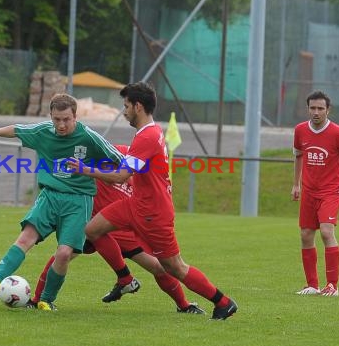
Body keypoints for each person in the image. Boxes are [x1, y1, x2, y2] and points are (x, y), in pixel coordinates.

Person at [67, 82, 237, 320]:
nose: (123, 111)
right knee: (93, 230)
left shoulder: (147, 137)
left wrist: (85, 169)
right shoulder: (150, 133)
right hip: (136, 204)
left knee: (174, 267)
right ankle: (125, 278)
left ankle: (223, 302)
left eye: (126, 106)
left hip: (153, 213)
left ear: (138, 106)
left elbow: (121, 176)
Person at [0, 93, 135, 311]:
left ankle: (47, 300)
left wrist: (133, 182)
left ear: (75, 117)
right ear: (51, 116)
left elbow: (121, 159)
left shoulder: (90, 137)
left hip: (78, 201)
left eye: (66, 119)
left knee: (64, 253)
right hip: (49, 196)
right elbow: (16, 129)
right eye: (57, 119)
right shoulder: (44, 131)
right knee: (25, 238)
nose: (61, 124)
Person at [29, 145, 205, 314]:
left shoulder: (150, 176)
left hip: (124, 229)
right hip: (95, 223)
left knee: (159, 267)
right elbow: (93, 158)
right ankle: (37, 300)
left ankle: (183, 305)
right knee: (63, 254)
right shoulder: (120, 152)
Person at [291, 90, 339, 297]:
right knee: (305, 234)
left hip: (331, 190)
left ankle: (333, 285)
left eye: (320, 108)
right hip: (309, 191)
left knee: (326, 231)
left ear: (328, 110)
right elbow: (298, 156)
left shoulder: (338, 133)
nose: (316, 112)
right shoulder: (300, 130)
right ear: (307, 109)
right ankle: (312, 285)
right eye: (312, 108)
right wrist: (296, 184)